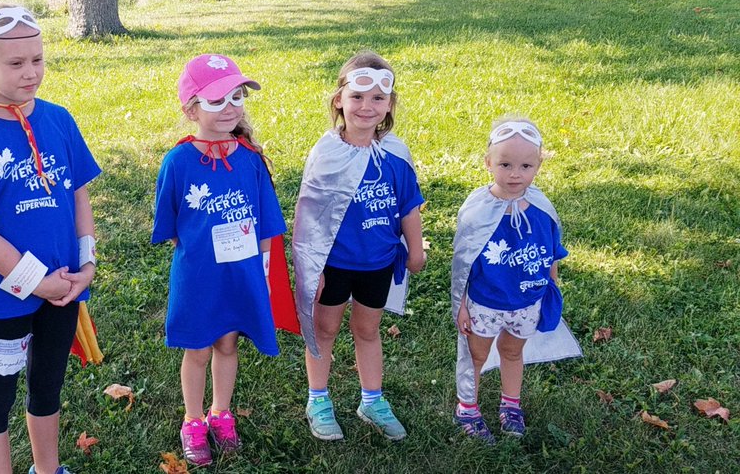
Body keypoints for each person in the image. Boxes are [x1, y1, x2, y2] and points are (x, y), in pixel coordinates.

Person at [0, 4, 99, 474]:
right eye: (16, 63)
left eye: (38, 59)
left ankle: (48, 468)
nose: (31, 72)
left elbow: (79, 195)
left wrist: (86, 264)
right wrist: (36, 282)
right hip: (5, 299)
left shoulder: (59, 120)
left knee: (47, 386)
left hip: (64, 289)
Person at [151, 54, 287, 466]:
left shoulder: (250, 158)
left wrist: (262, 274)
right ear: (191, 109)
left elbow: (266, 226)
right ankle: (193, 420)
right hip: (198, 276)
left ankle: (221, 413)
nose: (230, 108)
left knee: (228, 344)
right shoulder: (178, 162)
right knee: (197, 349)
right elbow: (172, 226)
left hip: (240, 274)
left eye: (236, 97)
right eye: (216, 100)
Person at [291, 50, 426, 442]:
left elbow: (408, 204)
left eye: (378, 98)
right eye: (357, 97)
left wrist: (415, 248)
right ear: (339, 100)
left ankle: (372, 400)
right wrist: (310, 269)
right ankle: (318, 399)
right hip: (334, 263)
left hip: (377, 262)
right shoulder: (326, 154)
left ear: (390, 104)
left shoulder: (396, 154)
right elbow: (308, 217)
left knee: (368, 329)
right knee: (325, 329)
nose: (367, 106)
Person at [451, 117, 582, 443]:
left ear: (538, 165)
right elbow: (463, 263)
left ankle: (511, 405)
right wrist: (462, 305)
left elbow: (551, 253)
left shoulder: (542, 208)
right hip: (485, 301)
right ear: (488, 162)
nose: (515, 174)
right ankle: (467, 407)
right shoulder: (478, 211)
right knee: (476, 355)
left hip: (526, 301)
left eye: (525, 166)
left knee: (512, 351)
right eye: (505, 164)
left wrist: (551, 288)